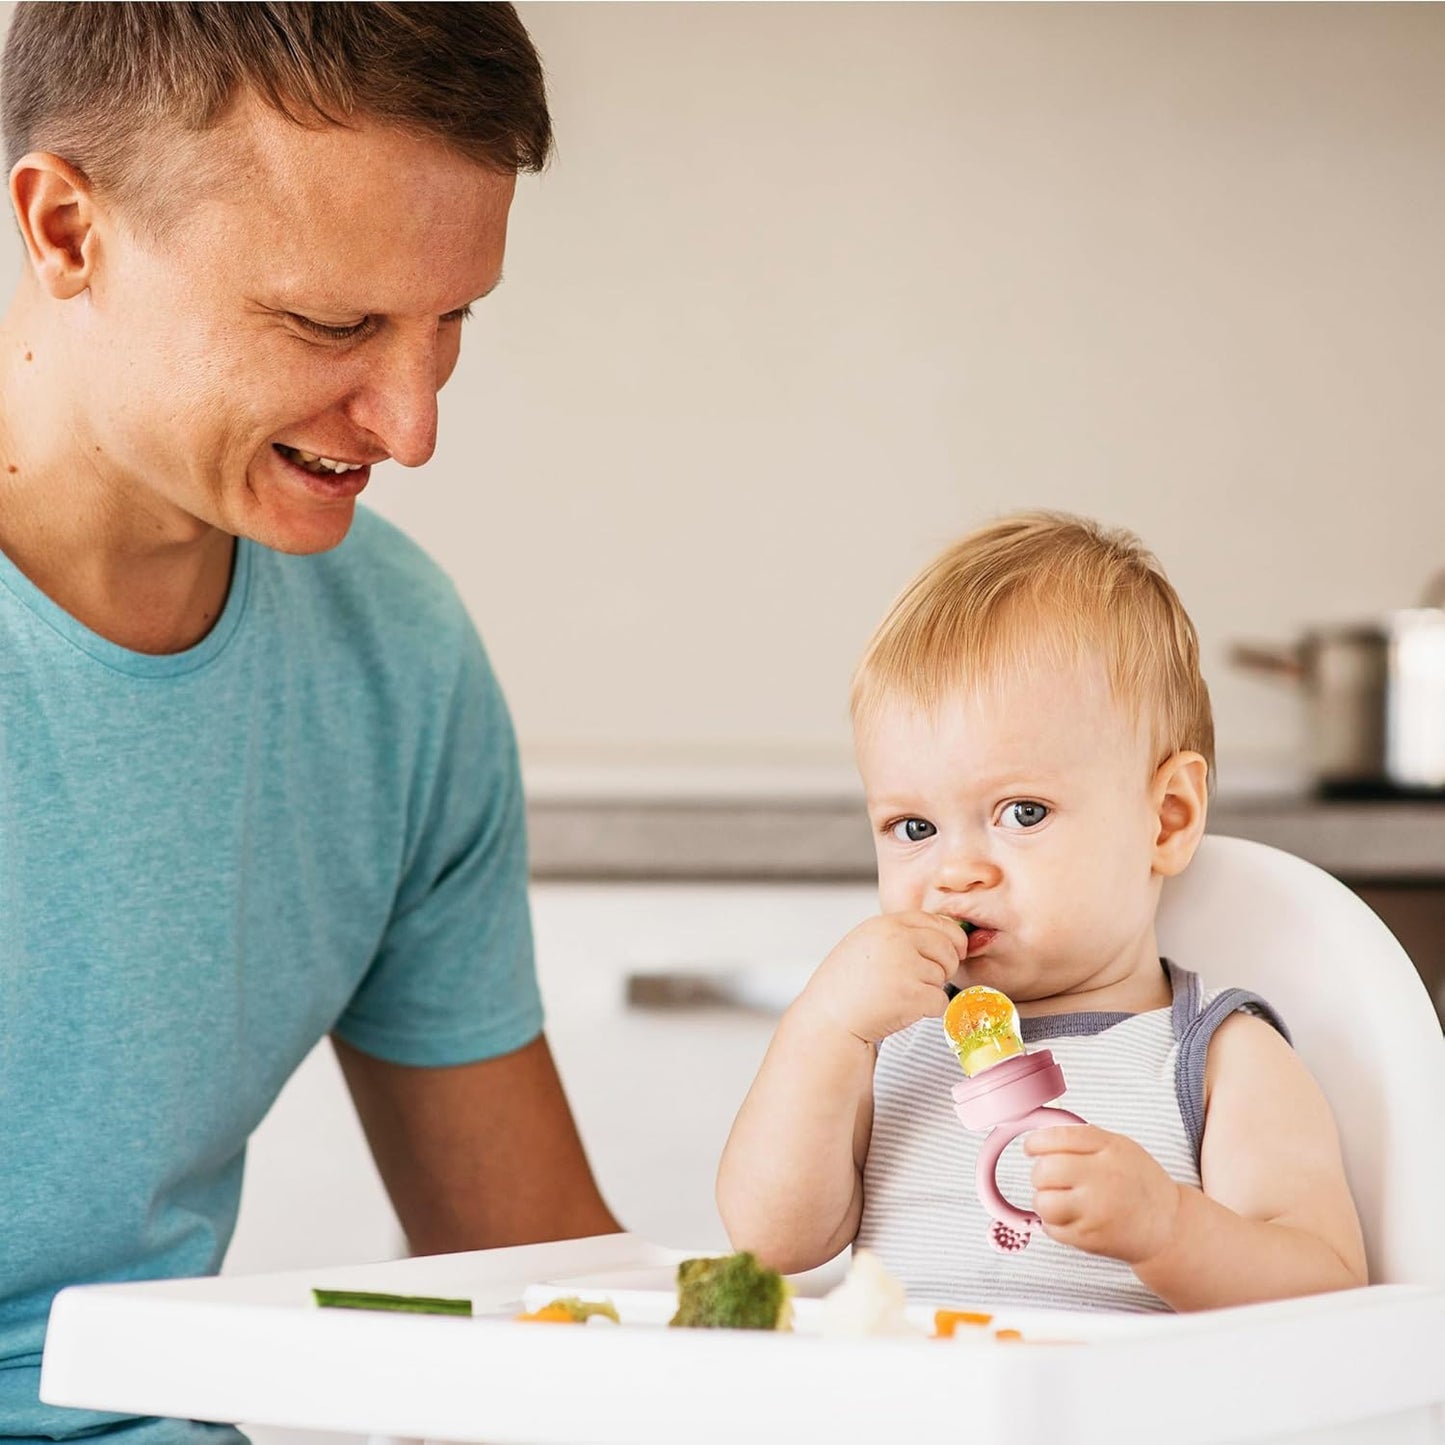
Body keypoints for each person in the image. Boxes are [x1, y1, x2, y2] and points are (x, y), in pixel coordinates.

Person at [0, 5, 618, 1441]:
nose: (410, 426)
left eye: (451, 321)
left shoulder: (393, 659)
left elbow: (529, 1268)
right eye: (330, 324)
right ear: (68, 228)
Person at [718, 512, 1367, 1312]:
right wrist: (821, 1025)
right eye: (913, 828)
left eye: (1021, 812)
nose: (955, 871)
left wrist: (1166, 1227)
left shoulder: (1216, 1055)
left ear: (1164, 817)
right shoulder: (886, 1043)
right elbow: (771, 1243)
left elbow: (1327, 1285)